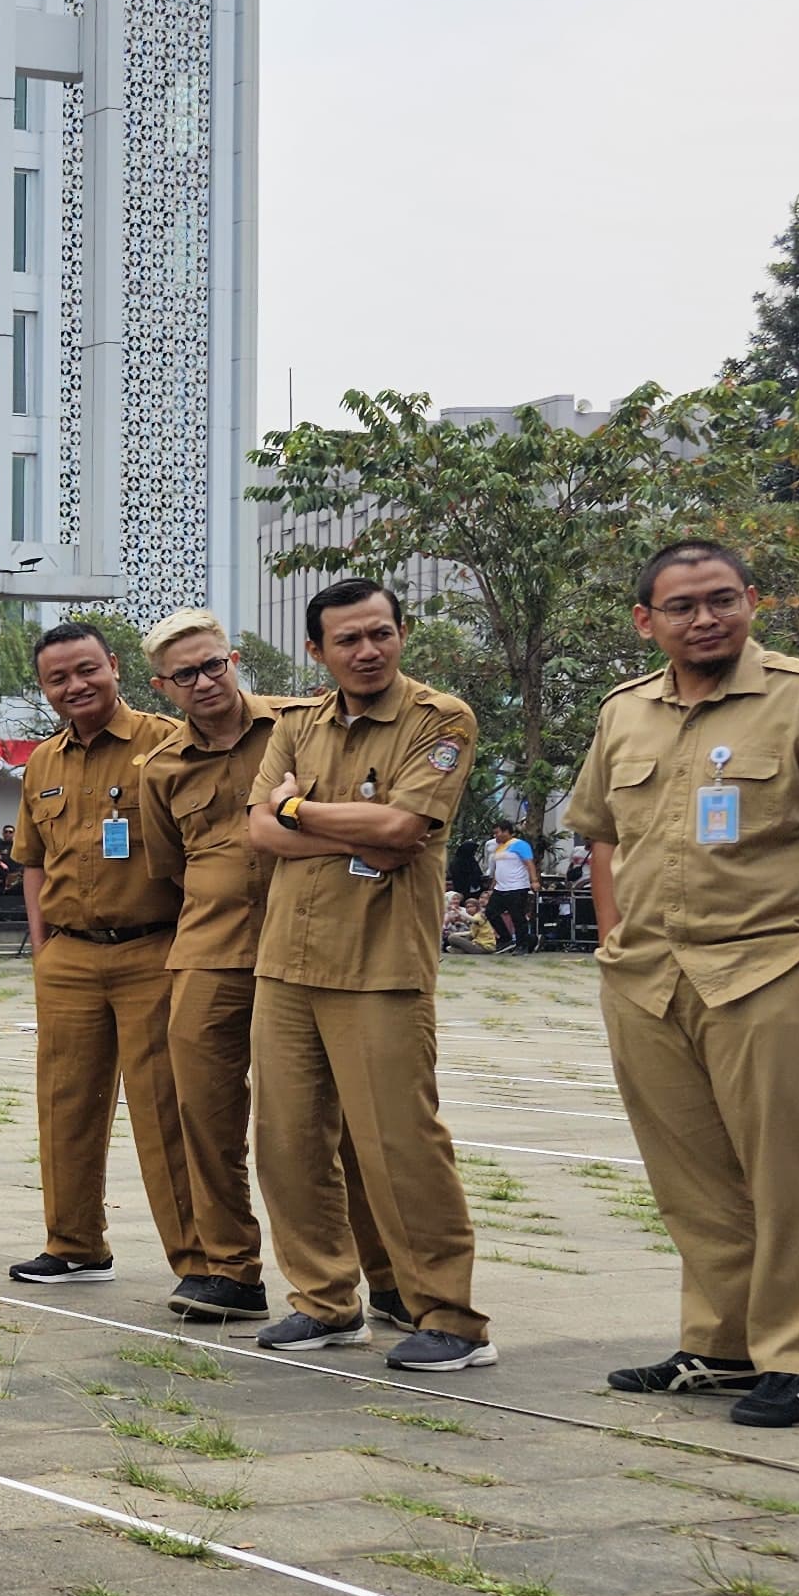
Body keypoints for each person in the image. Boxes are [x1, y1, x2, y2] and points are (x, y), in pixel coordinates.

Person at [575, 541, 799, 1428]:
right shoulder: (625, 712)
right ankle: (720, 1346)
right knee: (692, 1177)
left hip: (770, 971)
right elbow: (601, 829)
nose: (705, 618)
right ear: (647, 621)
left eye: (722, 599)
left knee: (788, 1175)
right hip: (650, 980)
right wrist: (614, 936)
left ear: (752, 600)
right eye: (682, 606)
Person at [241, 577, 492, 1371]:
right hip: (287, 961)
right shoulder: (296, 723)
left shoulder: (440, 718)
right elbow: (258, 832)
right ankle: (324, 1302)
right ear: (317, 650)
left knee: (399, 1145)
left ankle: (450, 1316)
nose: (367, 650)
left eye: (380, 633)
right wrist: (323, 829)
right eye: (347, 639)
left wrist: (297, 812)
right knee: (285, 1143)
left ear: (402, 633)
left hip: (381, 964)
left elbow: (403, 827)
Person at [4, 622, 196, 1287]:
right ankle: (75, 1243)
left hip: (154, 949)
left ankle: (198, 1259)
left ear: (114, 666)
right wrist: (43, 946)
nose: (75, 686)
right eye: (58, 678)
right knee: (65, 1104)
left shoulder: (168, 743)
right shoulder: (43, 763)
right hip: (69, 958)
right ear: (44, 688)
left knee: (165, 1108)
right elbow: (32, 860)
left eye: (87, 670)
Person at [127, 609, 304, 1324]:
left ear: (233, 659)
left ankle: (373, 1275)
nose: (204, 682)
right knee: (205, 1114)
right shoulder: (163, 767)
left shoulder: (298, 726)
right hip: (208, 952)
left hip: (299, 944)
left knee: (314, 1121)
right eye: (185, 675)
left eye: (213, 665)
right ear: (162, 686)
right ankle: (231, 1271)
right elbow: (169, 867)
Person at [485, 821, 537, 954]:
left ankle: (522, 944)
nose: (495, 835)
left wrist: (534, 880)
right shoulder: (499, 847)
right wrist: (492, 886)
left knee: (517, 916)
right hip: (501, 888)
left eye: (497, 832)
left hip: (517, 886)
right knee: (491, 911)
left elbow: (529, 863)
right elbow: (498, 868)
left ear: (506, 831)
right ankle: (505, 938)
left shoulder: (519, 845)